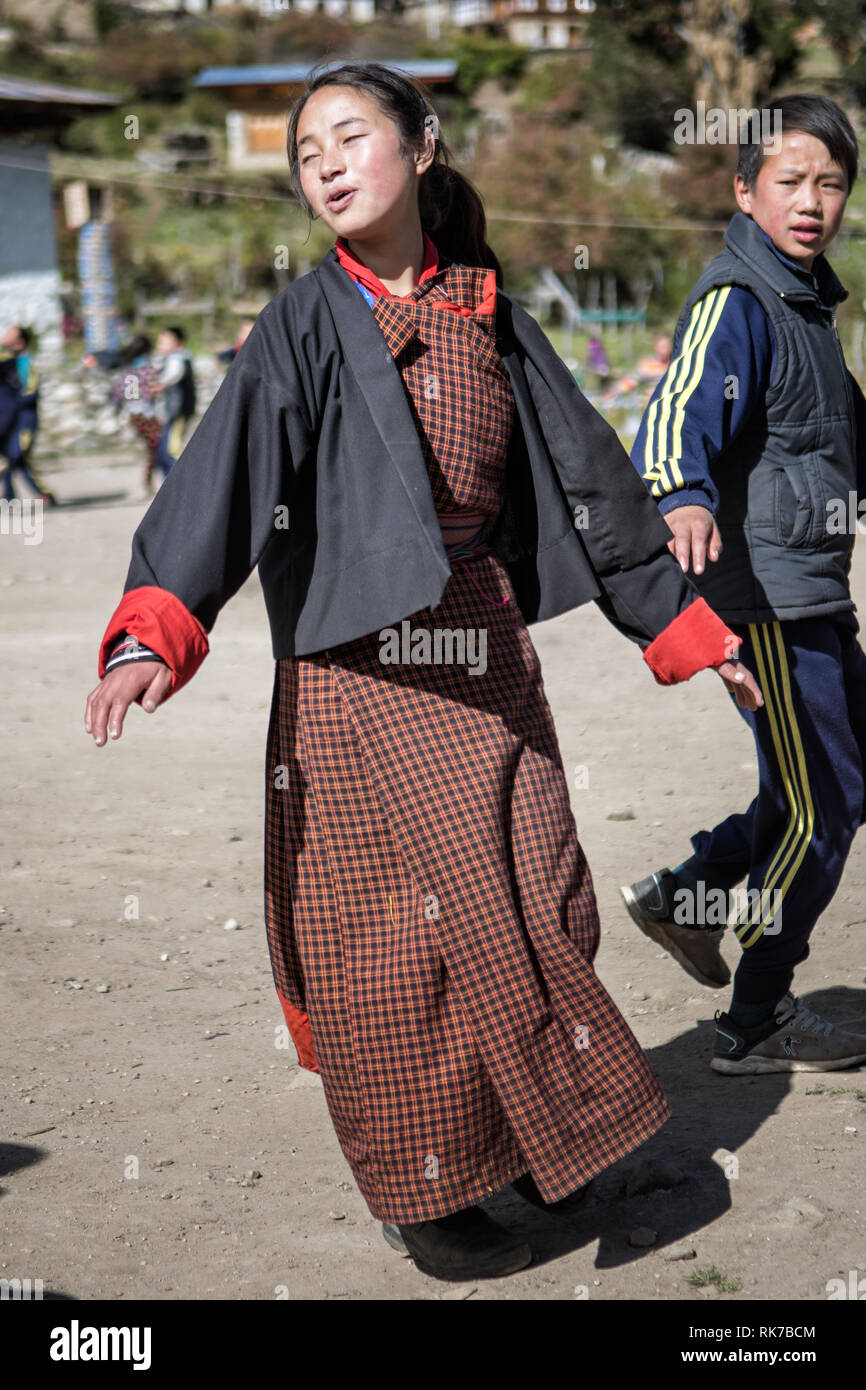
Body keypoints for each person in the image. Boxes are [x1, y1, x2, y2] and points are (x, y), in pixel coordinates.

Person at [85, 61, 761, 1283]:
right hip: (357, 682)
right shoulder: (302, 321)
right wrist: (153, 626)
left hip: (483, 654)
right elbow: (220, 479)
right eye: (306, 154)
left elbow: (594, 480)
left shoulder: (490, 309)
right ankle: (434, 1197)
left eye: (350, 138)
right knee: (389, 945)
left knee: (539, 893)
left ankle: (523, 1154)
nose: (328, 165)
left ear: (422, 146)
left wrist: (687, 626)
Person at [622, 93, 866, 1076]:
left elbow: (845, 445)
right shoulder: (739, 298)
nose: (810, 201)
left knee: (830, 782)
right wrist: (678, 492)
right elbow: (674, 404)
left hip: (815, 589)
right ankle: (755, 1015)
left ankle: (688, 890)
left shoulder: (808, 305)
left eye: (831, 183)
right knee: (819, 806)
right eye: (789, 180)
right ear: (742, 190)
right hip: (761, 597)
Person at [0, 325, 56, 506]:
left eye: (10, 333)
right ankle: (10, 497)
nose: (5, 335)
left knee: (15, 458)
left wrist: (12, 405)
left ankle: (42, 494)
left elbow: (31, 392)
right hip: (10, 421)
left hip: (24, 420)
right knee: (12, 459)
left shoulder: (25, 363)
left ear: (19, 342)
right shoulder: (8, 360)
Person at [112, 335, 162, 497]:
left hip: (132, 415)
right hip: (146, 414)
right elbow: (153, 391)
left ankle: (149, 482)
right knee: (155, 448)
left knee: (151, 449)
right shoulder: (147, 369)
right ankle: (149, 483)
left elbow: (118, 394)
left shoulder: (128, 370)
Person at [151, 325, 196, 481]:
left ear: (179, 343)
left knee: (172, 449)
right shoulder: (166, 359)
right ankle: (169, 483)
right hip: (171, 411)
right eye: (160, 342)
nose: (161, 346)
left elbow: (174, 374)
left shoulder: (178, 358)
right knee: (163, 450)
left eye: (166, 342)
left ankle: (180, 482)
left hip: (179, 411)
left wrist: (161, 384)